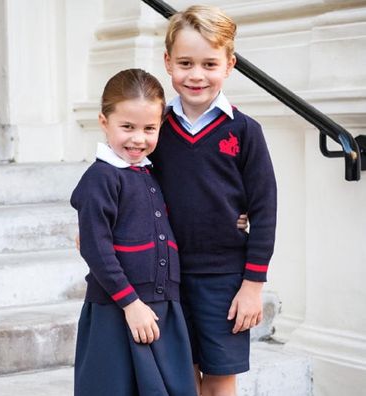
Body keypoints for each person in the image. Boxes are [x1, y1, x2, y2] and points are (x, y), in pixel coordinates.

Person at [149, 5, 277, 396]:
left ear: (229, 64)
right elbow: (128, 186)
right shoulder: (155, 129)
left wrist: (253, 284)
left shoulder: (245, 131)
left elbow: (265, 209)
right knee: (182, 378)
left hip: (224, 278)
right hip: (166, 275)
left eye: (209, 63)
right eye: (185, 62)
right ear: (168, 62)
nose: (197, 75)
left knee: (220, 378)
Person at [70, 68, 198, 396]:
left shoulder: (150, 174)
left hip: (162, 306)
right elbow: (95, 247)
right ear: (104, 122)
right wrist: (130, 304)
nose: (138, 138)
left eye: (149, 128)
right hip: (117, 308)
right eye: (127, 127)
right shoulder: (102, 178)